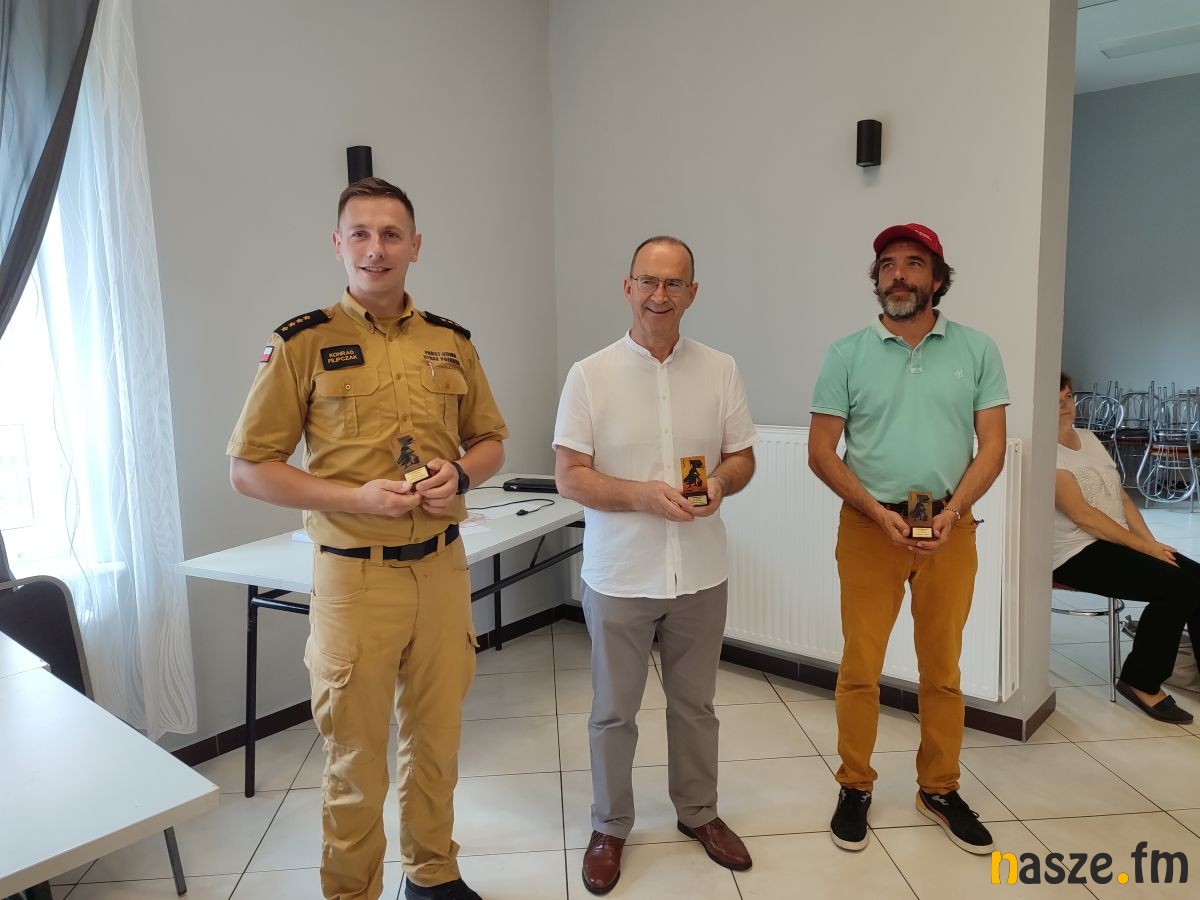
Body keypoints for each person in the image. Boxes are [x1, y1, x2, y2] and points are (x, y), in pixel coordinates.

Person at [228, 177, 507, 900]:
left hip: (441, 570)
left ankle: (432, 875)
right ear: (338, 244)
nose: (375, 249)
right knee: (356, 758)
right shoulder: (303, 342)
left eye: (391, 235)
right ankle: (352, 892)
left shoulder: (450, 342)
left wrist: (461, 474)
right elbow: (249, 470)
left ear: (415, 246)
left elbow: (490, 443)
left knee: (436, 739)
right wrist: (353, 497)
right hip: (355, 577)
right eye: (360, 233)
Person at [553, 235, 758, 895]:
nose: (660, 295)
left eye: (674, 283)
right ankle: (610, 826)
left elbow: (742, 457)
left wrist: (721, 482)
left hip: (699, 573)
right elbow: (570, 477)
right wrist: (641, 496)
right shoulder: (589, 375)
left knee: (696, 706)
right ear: (628, 287)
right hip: (620, 576)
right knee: (614, 711)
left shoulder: (720, 369)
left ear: (692, 293)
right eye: (648, 281)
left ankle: (698, 812)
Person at [808, 223, 1009, 856]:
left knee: (943, 670)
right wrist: (874, 510)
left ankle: (939, 789)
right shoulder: (846, 354)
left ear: (937, 279)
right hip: (869, 528)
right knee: (860, 668)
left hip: (950, 528)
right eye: (888, 264)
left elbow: (993, 446)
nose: (898, 274)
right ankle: (855, 785)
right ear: (877, 280)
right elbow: (821, 452)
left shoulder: (977, 349)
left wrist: (954, 511)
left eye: (914, 263)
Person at [1053, 372, 1200, 724]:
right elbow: (1083, 515)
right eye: (1055, 401)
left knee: (1195, 576)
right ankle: (1141, 681)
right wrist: (1143, 549)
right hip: (1073, 553)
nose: (1065, 406)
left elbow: (1121, 498)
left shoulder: (1088, 438)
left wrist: (1150, 543)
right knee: (1177, 584)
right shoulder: (1045, 451)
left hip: (1113, 541)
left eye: (1068, 397)